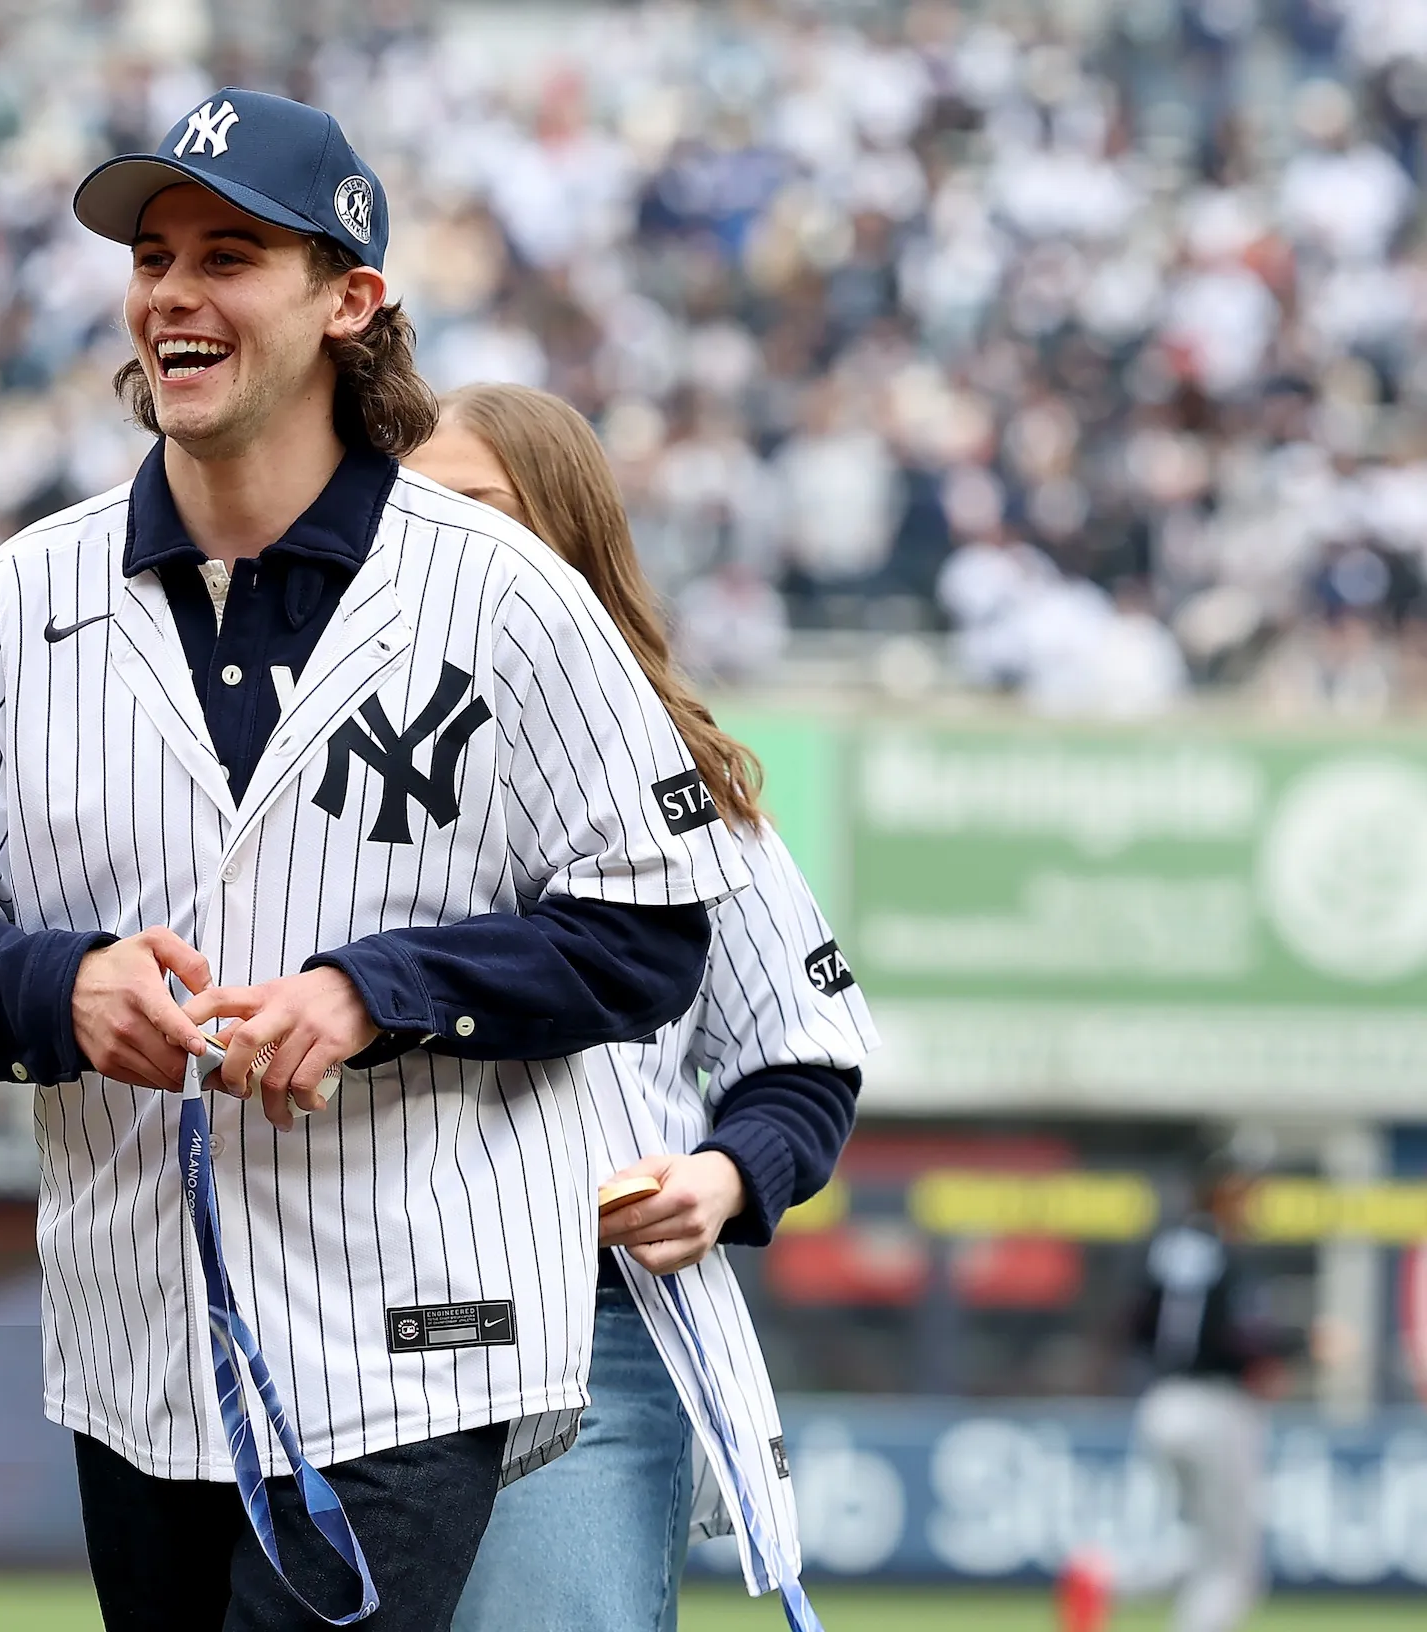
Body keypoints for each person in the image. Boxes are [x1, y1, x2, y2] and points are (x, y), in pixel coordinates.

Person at [0, 90, 751, 1632]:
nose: (172, 291)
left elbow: (647, 938)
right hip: (139, 1334)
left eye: (230, 253)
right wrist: (63, 991)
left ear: (349, 300)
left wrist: (370, 992)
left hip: (419, 1321)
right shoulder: (21, 599)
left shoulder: (504, 592)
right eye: (153, 255)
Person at [409, 385, 876, 1632]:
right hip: (334, 1306)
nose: (442, 544)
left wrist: (724, 1178)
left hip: (590, 1316)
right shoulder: (307, 762)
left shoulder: (681, 776)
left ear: (569, 539)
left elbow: (804, 1054)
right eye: (415, 512)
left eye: (482, 511)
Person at [1124, 1154, 1298, 1632]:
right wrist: (1301, 1345)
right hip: (1216, 1407)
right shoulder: (1227, 1253)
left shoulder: (1164, 1247)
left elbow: (1136, 1326)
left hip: (1161, 1404)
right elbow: (1238, 1337)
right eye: (1246, 1191)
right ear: (1222, 1191)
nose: (1253, 1202)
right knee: (1232, 1568)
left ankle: (1102, 1580)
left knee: (1198, 1548)